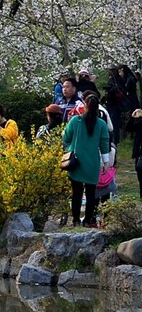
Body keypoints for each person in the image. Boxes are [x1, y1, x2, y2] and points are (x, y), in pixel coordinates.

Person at [62, 93, 111, 227]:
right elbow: (104, 143)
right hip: (92, 162)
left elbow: (65, 138)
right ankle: (88, 220)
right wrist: (106, 162)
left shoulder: (75, 121)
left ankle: (76, 220)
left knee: (76, 193)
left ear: (85, 105)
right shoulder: (101, 124)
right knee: (91, 194)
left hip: (75, 162)